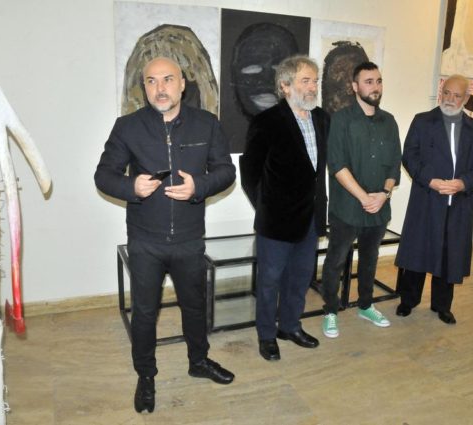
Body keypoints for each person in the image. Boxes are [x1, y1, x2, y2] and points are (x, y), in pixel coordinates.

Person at [95, 57, 236, 414]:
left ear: (182, 84)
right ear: (144, 87)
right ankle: (146, 376)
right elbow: (104, 175)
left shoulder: (206, 124)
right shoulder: (127, 127)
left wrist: (198, 186)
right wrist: (131, 186)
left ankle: (198, 361)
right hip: (146, 240)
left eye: (168, 79)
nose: (160, 88)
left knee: (195, 305)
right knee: (145, 313)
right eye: (152, 81)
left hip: (189, 237)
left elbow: (226, 170)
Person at [240, 55, 330, 361]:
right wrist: (267, 206)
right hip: (276, 221)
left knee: (301, 278)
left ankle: (290, 326)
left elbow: (317, 173)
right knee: (269, 282)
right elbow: (250, 173)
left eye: (315, 81)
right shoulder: (266, 122)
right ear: (285, 85)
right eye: (306, 80)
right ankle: (267, 335)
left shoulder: (322, 118)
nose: (313, 87)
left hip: (311, 219)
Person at [394, 74, 473, 325]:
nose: (450, 99)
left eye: (457, 95)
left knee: (450, 256)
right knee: (417, 252)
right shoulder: (423, 121)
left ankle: (442, 306)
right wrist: (431, 180)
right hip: (427, 198)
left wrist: (463, 183)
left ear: (466, 99)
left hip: (459, 203)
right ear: (441, 92)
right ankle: (408, 300)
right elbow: (409, 156)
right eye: (446, 92)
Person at [319, 61, 401, 338]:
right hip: (347, 208)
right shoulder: (341, 120)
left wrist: (384, 194)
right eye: (368, 82)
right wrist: (365, 197)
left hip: (379, 206)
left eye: (378, 81)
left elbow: (394, 165)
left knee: (370, 259)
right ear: (355, 86)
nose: (375, 87)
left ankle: (366, 305)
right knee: (336, 260)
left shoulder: (389, 121)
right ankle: (330, 310)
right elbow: (337, 165)